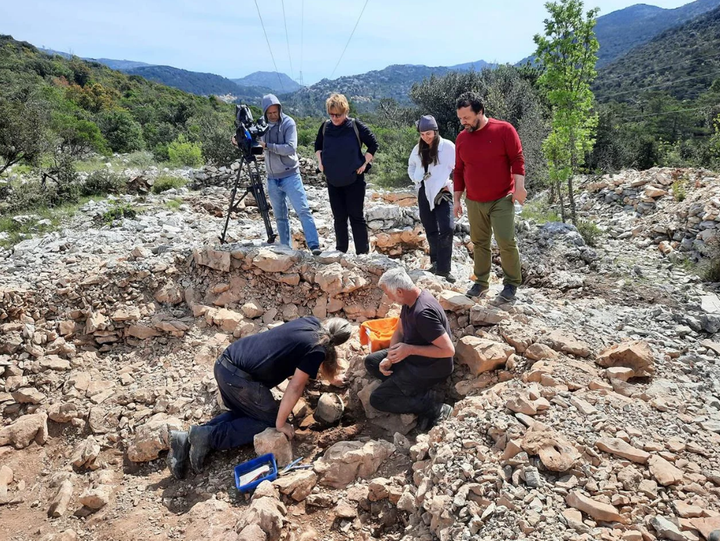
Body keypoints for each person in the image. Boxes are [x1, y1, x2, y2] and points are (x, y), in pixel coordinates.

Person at [167, 317, 352, 478]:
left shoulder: (311, 322)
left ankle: (185, 438)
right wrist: (280, 423)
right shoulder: (317, 349)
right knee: (268, 421)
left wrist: (332, 378)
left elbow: (301, 352)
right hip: (239, 381)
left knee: (249, 412)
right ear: (338, 343)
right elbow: (295, 387)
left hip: (226, 365)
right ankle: (209, 437)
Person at [453, 91, 526, 301]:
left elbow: (517, 159)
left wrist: (519, 188)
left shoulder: (504, 129)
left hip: (502, 197)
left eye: (466, 117)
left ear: (480, 112)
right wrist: (457, 200)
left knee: (505, 240)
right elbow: (459, 170)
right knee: (479, 242)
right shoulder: (461, 138)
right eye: (460, 118)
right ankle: (481, 282)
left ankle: (511, 284)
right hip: (474, 200)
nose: (463, 122)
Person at [364, 267, 454, 430]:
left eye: (388, 293)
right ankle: (406, 387)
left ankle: (432, 405)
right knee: (372, 362)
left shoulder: (423, 313)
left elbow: (448, 350)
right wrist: (390, 357)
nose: (388, 298)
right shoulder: (410, 300)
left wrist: (409, 349)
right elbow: (399, 330)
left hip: (430, 367)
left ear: (399, 291)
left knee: (378, 399)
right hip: (413, 357)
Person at [315, 93, 378, 255]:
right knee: (339, 218)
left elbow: (373, 144)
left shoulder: (355, 126)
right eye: (332, 114)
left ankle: (362, 254)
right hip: (333, 180)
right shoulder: (325, 127)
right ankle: (340, 251)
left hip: (354, 180)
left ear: (346, 111)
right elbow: (318, 146)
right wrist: (320, 162)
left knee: (356, 217)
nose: (335, 118)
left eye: (338, 114)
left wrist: (365, 162)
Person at [259, 94, 322, 254]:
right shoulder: (262, 125)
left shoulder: (288, 123)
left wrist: (268, 145)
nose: (273, 115)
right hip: (272, 178)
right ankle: (285, 248)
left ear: (280, 109)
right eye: (270, 113)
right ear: (265, 112)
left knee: (303, 210)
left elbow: (290, 148)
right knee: (280, 216)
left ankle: (314, 246)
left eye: (275, 112)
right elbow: (256, 145)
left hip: (290, 175)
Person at [408, 114, 456, 283]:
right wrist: (417, 178)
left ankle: (445, 269)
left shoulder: (448, 147)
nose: (425, 137)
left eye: (428, 133)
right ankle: (435, 263)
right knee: (430, 228)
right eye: (422, 134)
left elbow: (458, 167)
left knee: (447, 228)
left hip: (443, 192)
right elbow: (411, 166)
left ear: (435, 131)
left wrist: (457, 192)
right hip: (424, 192)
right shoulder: (417, 149)